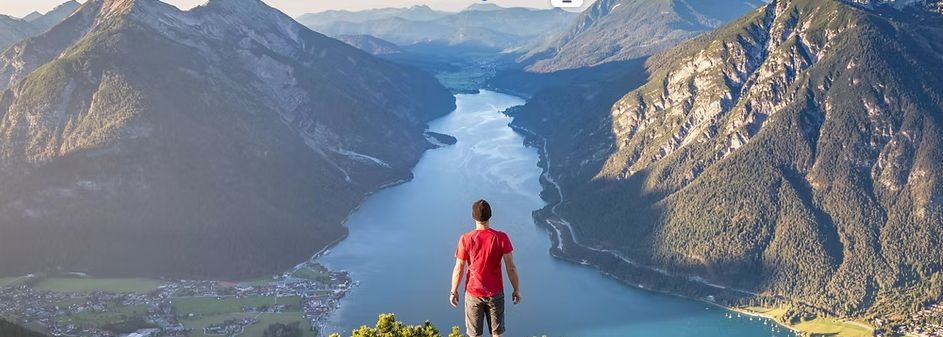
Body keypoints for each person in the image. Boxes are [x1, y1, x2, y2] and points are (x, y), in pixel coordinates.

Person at [450, 199, 520, 337]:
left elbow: (459, 268)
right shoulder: (501, 237)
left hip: (473, 294)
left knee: (475, 335)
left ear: (473, 216)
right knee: (497, 334)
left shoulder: (465, 239)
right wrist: (516, 289)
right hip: (495, 293)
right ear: (490, 215)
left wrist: (454, 291)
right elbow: (510, 266)